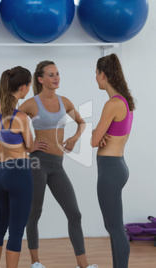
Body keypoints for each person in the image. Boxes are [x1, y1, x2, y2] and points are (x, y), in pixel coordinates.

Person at [18, 61, 97, 268]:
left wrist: (74, 138)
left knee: (74, 214)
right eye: (51, 75)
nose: (56, 78)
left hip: (57, 165)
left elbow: (81, 123)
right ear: (41, 79)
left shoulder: (65, 102)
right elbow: (9, 130)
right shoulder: (30, 104)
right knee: (34, 212)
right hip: (37, 164)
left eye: (58, 74)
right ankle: (35, 263)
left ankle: (84, 265)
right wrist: (29, 146)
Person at [0, 66, 42, 268]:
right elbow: (29, 146)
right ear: (24, 88)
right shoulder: (21, 118)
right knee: (16, 231)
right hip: (19, 173)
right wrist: (35, 143)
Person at [91, 53, 134, 268]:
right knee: (113, 226)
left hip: (110, 170)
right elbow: (105, 135)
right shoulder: (125, 102)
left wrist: (96, 134)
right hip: (118, 166)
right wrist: (99, 134)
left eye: (96, 74)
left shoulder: (112, 104)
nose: (95, 78)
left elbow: (93, 141)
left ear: (103, 75)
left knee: (115, 228)